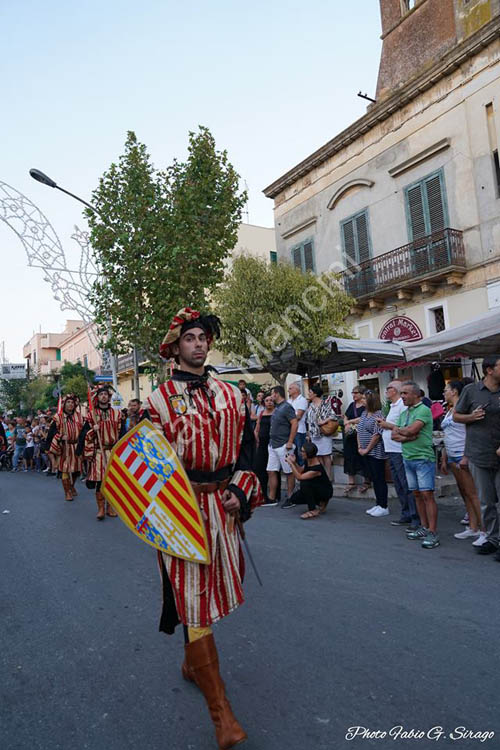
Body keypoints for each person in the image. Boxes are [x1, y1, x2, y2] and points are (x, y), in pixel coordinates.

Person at [147, 307, 263, 749]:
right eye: (189, 337)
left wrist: (242, 489)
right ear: (176, 347)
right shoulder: (156, 402)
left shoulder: (234, 394)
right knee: (192, 598)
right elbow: (147, 466)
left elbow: (249, 452)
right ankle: (223, 716)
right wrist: (163, 513)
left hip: (223, 507)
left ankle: (191, 665)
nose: (198, 343)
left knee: (206, 596)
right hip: (180, 511)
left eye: (203, 337)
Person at [454, 355, 500, 559]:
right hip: (479, 453)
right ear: (490, 370)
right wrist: (470, 417)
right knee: (486, 500)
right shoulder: (471, 390)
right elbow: (456, 415)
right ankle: (492, 539)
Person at [391, 381, 439, 549]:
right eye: (401, 393)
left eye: (405, 393)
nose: (402, 396)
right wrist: (408, 435)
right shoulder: (405, 413)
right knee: (417, 494)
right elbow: (394, 435)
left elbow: (411, 430)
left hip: (423, 459)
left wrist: (405, 432)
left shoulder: (424, 410)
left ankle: (432, 532)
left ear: (416, 395)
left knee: (427, 495)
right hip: (408, 457)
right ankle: (424, 527)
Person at [440, 381, 486, 545]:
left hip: (462, 454)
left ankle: (485, 530)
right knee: (465, 493)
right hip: (452, 454)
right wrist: (444, 457)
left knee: (473, 493)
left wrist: (466, 455)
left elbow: (470, 433)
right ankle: (473, 527)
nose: (443, 392)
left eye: (446, 390)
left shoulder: (464, 409)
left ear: (454, 391)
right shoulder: (449, 410)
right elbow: (447, 435)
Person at [77, 385, 124, 520]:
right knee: (100, 481)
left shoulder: (118, 413)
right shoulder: (92, 415)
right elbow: (84, 434)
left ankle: (110, 507)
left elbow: (122, 433)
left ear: (108, 397)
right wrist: (93, 430)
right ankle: (101, 508)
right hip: (99, 452)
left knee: (113, 481)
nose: (103, 396)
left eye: (105, 394)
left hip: (113, 451)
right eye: (101, 394)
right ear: (97, 398)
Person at [376, 381, 419, 528]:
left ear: (394, 390)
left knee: (406, 484)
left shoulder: (401, 406)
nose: (386, 391)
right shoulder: (392, 406)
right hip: (391, 449)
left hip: (399, 449)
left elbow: (405, 427)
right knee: (399, 484)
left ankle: (414, 515)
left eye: (388, 388)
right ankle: (406, 513)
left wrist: (387, 425)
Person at [46, 394, 84, 501]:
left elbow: (83, 431)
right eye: (68, 402)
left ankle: (71, 486)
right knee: (65, 469)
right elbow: (52, 432)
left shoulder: (80, 416)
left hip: (76, 446)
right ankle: (67, 492)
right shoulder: (58, 417)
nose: (70, 404)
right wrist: (61, 436)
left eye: (72, 402)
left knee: (76, 470)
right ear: (64, 404)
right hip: (64, 446)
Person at [357, 391, 389, 517]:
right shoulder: (364, 413)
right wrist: (360, 446)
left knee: (379, 478)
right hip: (365, 451)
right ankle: (378, 503)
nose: (362, 400)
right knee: (373, 478)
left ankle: (383, 505)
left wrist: (367, 449)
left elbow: (376, 435)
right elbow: (359, 430)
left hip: (376, 451)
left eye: (364, 398)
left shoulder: (378, 414)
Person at [266, 385, 298, 508]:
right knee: (271, 470)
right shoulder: (278, 407)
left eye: (272, 394)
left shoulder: (286, 407)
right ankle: (272, 498)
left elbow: (294, 423)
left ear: (277, 394)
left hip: (284, 445)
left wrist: (290, 441)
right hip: (273, 444)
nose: (271, 396)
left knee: (289, 472)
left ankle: (290, 497)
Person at [285, 442, 333, 519]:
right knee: (294, 499)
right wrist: (294, 462)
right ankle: (320, 503)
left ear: (309, 453)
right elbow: (301, 470)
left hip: (325, 491)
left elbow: (299, 477)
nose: (301, 453)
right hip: (315, 486)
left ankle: (313, 509)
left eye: (303, 451)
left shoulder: (317, 468)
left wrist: (291, 464)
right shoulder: (308, 460)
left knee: (305, 483)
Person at [342, 385, 370, 495]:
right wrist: (346, 423)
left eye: (356, 393)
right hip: (351, 436)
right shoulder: (351, 405)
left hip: (362, 434)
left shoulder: (365, 405)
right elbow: (345, 416)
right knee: (349, 456)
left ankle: (367, 481)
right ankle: (351, 482)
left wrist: (350, 422)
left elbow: (363, 418)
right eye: (353, 393)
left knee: (363, 457)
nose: (354, 395)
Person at [306, 384, 337, 480]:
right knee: (318, 455)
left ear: (315, 394)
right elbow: (308, 420)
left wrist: (323, 421)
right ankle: (322, 476)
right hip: (314, 434)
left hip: (324, 433)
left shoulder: (325, 404)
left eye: (310, 392)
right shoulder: (310, 405)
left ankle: (328, 476)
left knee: (326, 455)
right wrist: (308, 433)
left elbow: (333, 416)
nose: (308, 394)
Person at [254, 393, 275, 502]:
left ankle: (274, 494)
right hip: (262, 444)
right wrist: (256, 438)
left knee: (272, 469)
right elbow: (257, 428)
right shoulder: (261, 413)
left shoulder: (276, 412)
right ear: (264, 402)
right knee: (259, 468)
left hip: (272, 443)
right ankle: (262, 493)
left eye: (271, 400)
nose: (269, 402)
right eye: (267, 400)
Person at [287, 381, 308, 466]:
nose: (288, 390)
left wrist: (286, 420)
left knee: (300, 453)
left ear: (296, 390)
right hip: (289, 430)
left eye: (290, 388)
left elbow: (298, 416)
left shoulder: (302, 400)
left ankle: (302, 473)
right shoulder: (288, 401)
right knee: (292, 453)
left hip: (299, 430)